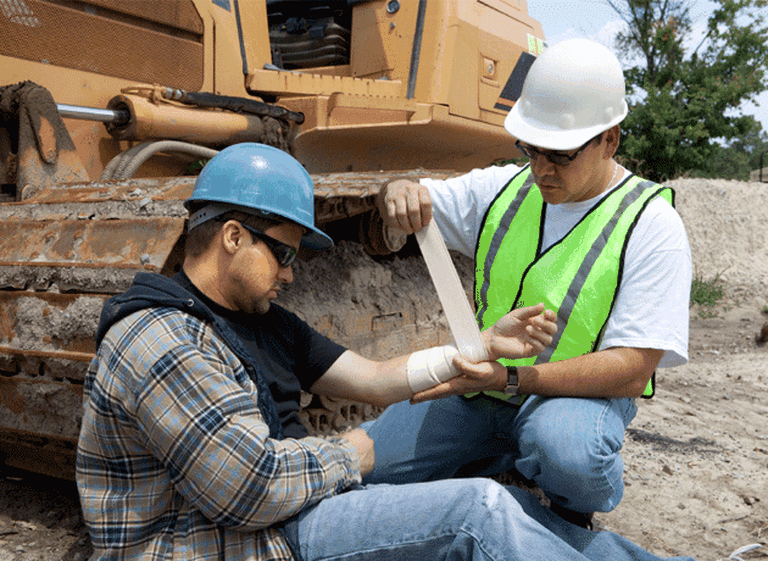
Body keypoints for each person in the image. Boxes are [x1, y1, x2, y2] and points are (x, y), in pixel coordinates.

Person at [76, 142, 698, 561]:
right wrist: (352, 453)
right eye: (285, 253)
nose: (292, 274)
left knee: (502, 502)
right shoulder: (162, 338)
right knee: (475, 508)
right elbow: (250, 491)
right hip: (228, 541)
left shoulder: (262, 319)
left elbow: (371, 378)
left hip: (287, 508)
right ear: (233, 236)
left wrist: (475, 349)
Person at [362, 37, 693, 527]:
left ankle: (567, 509)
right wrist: (398, 192)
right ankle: (498, 459)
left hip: (570, 403)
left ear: (610, 140)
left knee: (569, 453)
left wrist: (513, 378)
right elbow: (411, 198)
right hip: (482, 391)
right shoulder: (506, 189)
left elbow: (633, 370)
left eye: (559, 154)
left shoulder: (651, 225)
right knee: (370, 469)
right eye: (531, 149)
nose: (541, 168)